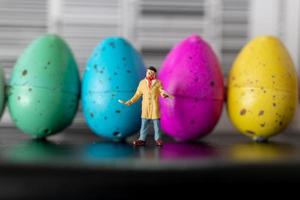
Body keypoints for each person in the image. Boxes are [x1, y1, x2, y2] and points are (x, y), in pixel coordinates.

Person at [119, 66, 173, 146]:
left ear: (155, 74)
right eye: (149, 72)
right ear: (146, 72)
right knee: (144, 125)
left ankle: (158, 139)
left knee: (157, 125)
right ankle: (142, 139)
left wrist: (164, 95)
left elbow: (161, 92)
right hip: (145, 108)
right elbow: (137, 95)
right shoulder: (142, 83)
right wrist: (130, 101)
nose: (150, 74)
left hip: (154, 107)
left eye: (152, 73)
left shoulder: (158, 83)